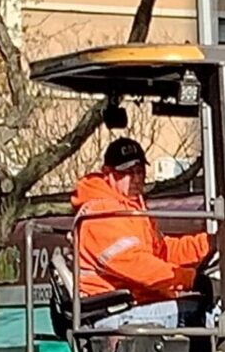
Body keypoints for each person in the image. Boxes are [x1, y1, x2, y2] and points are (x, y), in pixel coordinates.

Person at [72, 137, 214, 328]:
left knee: (202, 308)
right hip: (112, 312)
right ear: (108, 174)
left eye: (140, 172)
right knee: (204, 312)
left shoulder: (133, 210)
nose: (137, 179)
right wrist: (190, 279)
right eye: (128, 173)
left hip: (134, 304)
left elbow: (163, 252)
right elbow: (136, 264)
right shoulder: (100, 213)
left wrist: (211, 243)